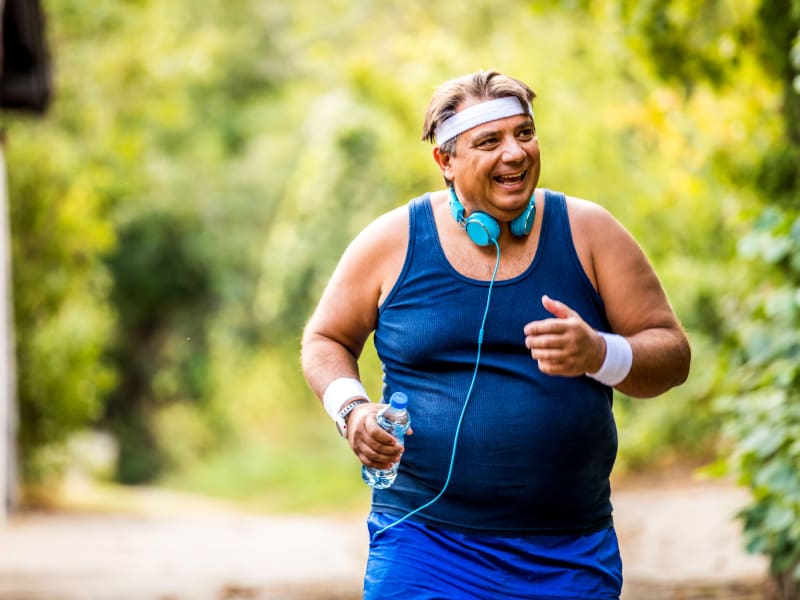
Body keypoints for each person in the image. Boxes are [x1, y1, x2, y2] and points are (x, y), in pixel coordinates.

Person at [301, 70, 691, 600]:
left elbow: (672, 356)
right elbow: (325, 339)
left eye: (524, 134)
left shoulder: (591, 232)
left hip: (568, 550)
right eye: (489, 141)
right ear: (445, 160)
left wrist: (600, 352)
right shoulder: (392, 242)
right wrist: (352, 409)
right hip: (423, 544)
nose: (516, 153)